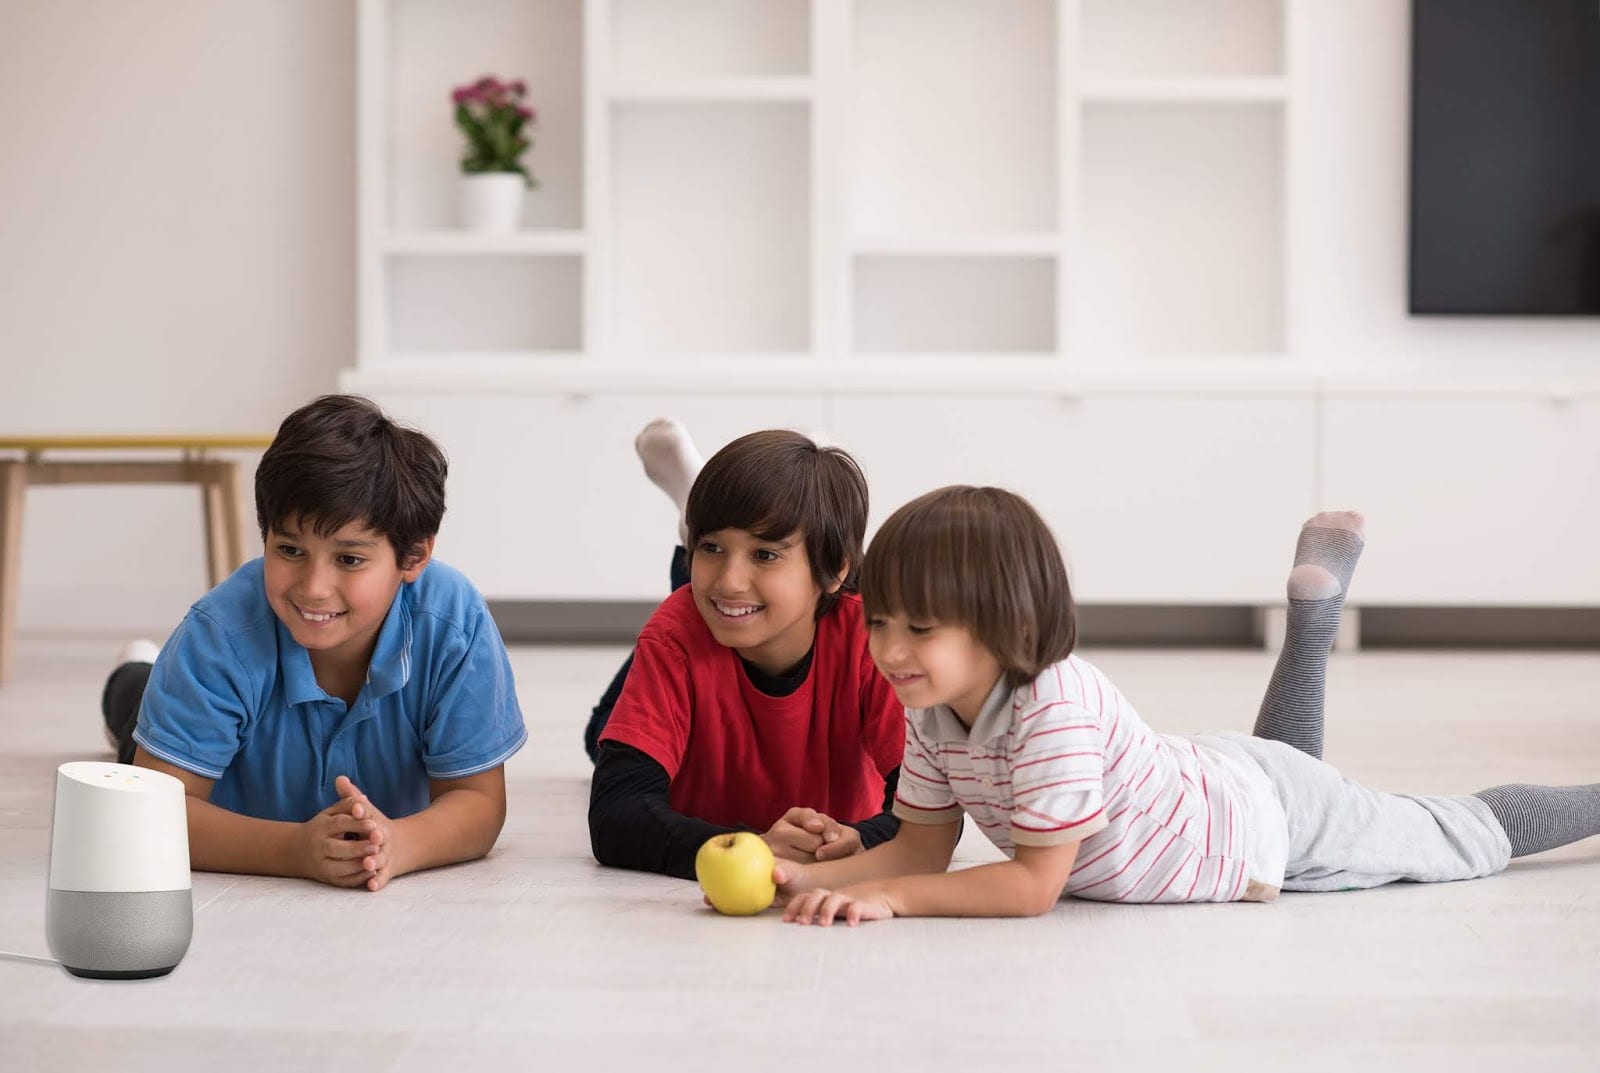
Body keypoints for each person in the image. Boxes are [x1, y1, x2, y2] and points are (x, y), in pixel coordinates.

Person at [773, 486, 1600, 925]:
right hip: (1216, 781)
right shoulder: (930, 701)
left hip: (1254, 822)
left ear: (1007, 626)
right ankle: (1312, 619)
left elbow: (1030, 886)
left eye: (919, 628)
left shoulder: (1049, 706)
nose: (887, 650)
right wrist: (800, 877)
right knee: (1293, 772)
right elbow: (919, 850)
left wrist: (889, 899)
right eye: (878, 622)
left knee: (1465, 832)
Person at [100, 395, 526, 892]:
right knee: (135, 708)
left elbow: (478, 801)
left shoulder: (453, 623)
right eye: (290, 550)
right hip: (199, 719)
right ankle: (135, 673)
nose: (313, 587)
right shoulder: (220, 633)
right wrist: (295, 851)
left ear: (413, 556)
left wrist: (399, 843)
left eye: (348, 559)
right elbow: (155, 816)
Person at [587, 421, 905, 879]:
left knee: (720, 602)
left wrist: (863, 843)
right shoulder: (676, 632)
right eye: (711, 546)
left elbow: (934, 814)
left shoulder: (874, 638)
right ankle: (701, 532)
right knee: (602, 733)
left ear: (834, 570)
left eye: (765, 554)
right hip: (699, 629)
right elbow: (616, 814)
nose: (730, 577)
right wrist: (752, 848)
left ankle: (697, 524)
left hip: (743, 618)